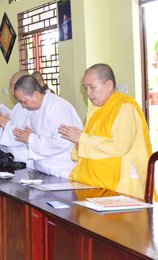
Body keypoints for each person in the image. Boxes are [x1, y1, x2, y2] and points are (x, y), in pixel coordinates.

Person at [58, 64, 152, 199]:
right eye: (85, 88)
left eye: (92, 87)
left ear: (109, 85)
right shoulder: (94, 112)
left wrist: (81, 139)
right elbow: (82, 148)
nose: (88, 93)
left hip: (120, 187)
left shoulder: (125, 107)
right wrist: (78, 141)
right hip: (94, 183)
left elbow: (120, 146)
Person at [12, 75, 82, 178]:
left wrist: (31, 139)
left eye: (24, 101)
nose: (23, 106)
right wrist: (31, 137)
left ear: (36, 94)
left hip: (60, 172)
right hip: (41, 170)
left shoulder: (57, 107)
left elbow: (63, 142)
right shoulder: (35, 109)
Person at [0, 71, 32, 165]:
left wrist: (7, 125)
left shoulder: (32, 107)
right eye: (11, 86)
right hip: (12, 157)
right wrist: (5, 125)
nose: (12, 90)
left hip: (25, 159)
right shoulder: (17, 106)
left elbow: (26, 133)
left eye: (15, 86)